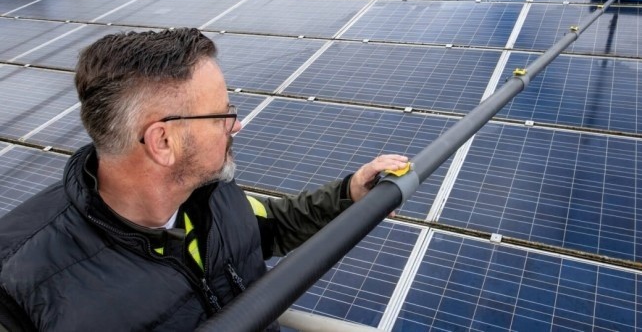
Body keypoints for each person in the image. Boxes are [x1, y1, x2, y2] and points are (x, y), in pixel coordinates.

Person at [0, 28, 408, 331]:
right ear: (163, 141)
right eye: (222, 115)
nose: (238, 125)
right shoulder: (20, 280)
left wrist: (347, 193)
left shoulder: (210, 191)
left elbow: (267, 226)